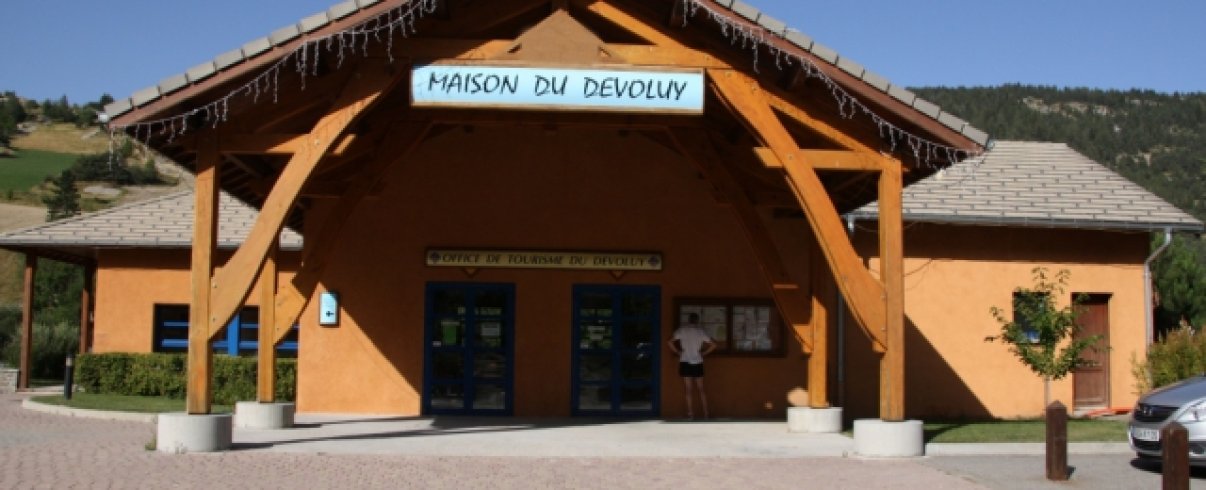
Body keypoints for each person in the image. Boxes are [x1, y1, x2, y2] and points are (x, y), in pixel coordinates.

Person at [667, 312, 717, 420]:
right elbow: (713, 345)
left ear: (688, 320)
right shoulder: (700, 332)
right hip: (697, 361)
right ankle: (706, 413)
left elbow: (669, 342)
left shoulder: (682, 330)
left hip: (685, 360)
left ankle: (690, 414)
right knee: (701, 389)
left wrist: (678, 352)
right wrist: (703, 353)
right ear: (697, 320)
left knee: (688, 389)